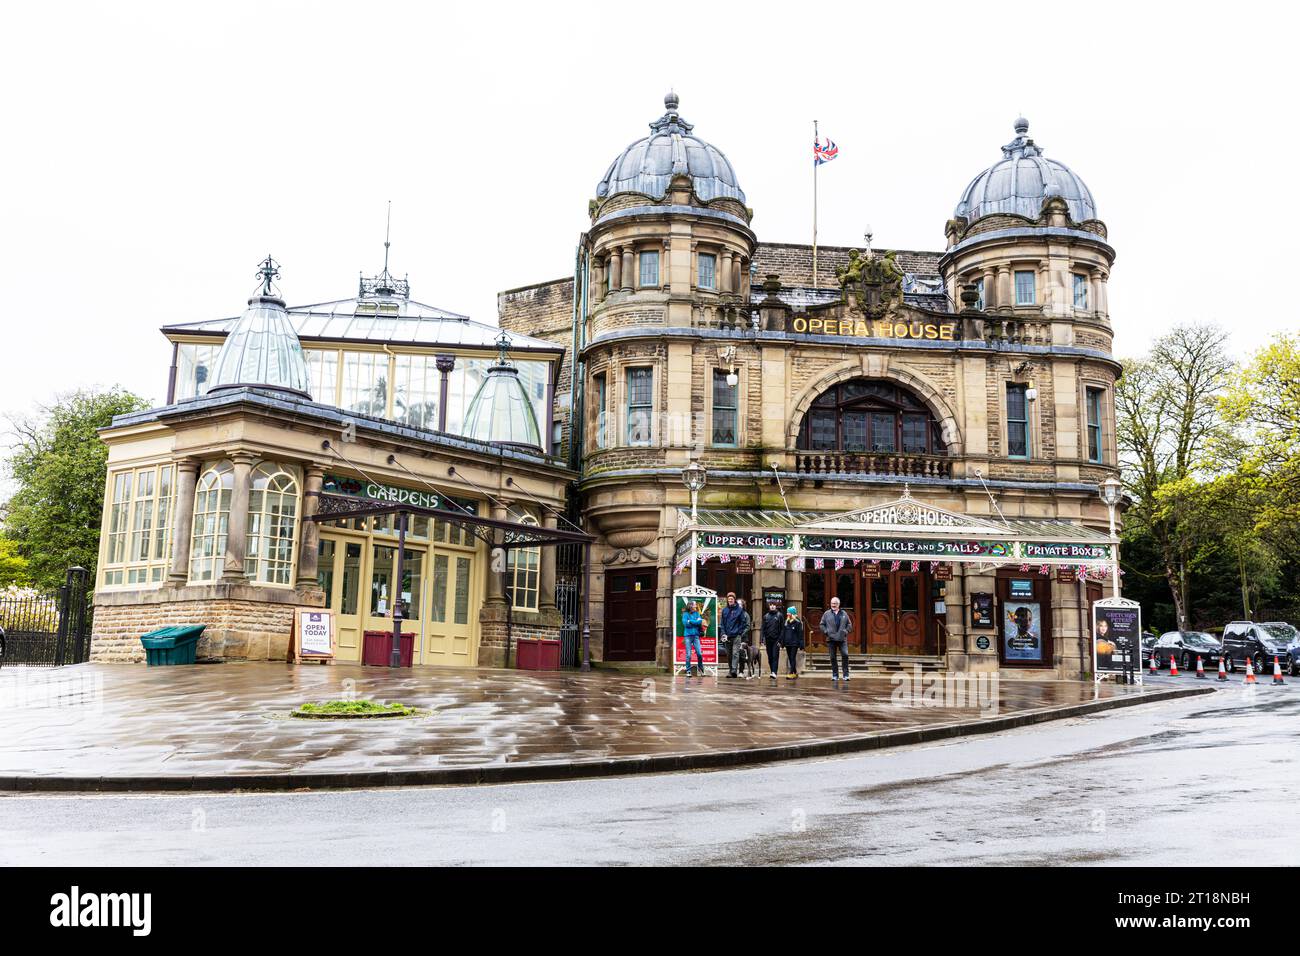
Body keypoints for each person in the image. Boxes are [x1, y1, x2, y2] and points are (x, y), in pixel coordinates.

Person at [820, 595, 852, 682]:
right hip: (831, 639)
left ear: (838, 604)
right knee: (832, 657)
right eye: (832, 603)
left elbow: (849, 625)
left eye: (835, 603)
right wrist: (826, 631)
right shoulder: (826, 614)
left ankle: (846, 675)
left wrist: (845, 631)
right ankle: (835, 675)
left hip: (842, 639)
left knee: (845, 654)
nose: (833, 605)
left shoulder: (844, 613)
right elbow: (821, 625)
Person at [721, 592, 751, 678]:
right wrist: (723, 633)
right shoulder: (724, 610)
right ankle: (731, 670)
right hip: (727, 636)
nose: (730, 600)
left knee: (735, 653)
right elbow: (722, 624)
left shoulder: (739, 610)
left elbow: (743, 623)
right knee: (729, 654)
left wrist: (739, 632)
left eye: (732, 599)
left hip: (736, 636)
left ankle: (734, 670)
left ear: (734, 600)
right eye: (729, 599)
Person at [780, 606, 804, 680]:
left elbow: (800, 634)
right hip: (787, 643)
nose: (787, 614)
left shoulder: (798, 622)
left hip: (794, 643)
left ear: (792, 613)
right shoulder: (786, 622)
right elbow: (783, 633)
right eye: (787, 612)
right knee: (790, 658)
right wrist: (782, 642)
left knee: (792, 657)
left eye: (789, 612)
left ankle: (791, 673)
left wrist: (801, 643)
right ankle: (795, 672)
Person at [762, 599, 784, 681]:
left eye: (773, 605)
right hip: (768, 639)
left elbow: (782, 629)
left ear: (776, 606)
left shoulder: (779, 615)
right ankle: (772, 671)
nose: (772, 606)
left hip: (776, 640)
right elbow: (763, 628)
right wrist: (762, 639)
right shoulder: (766, 616)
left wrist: (780, 640)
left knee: (775, 656)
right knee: (770, 657)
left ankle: (774, 672)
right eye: (771, 605)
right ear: (769, 606)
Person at [681, 600, 705, 676]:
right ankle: (688, 671)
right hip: (688, 636)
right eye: (695, 605)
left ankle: (700, 668)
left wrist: (690, 621)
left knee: (699, 654)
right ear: (691, 606)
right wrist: (695, 622)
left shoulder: (697, 613)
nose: (696, 606)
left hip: (696, 636)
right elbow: (685, 624)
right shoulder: (685, 614)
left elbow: (699, 622)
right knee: (688, 655)